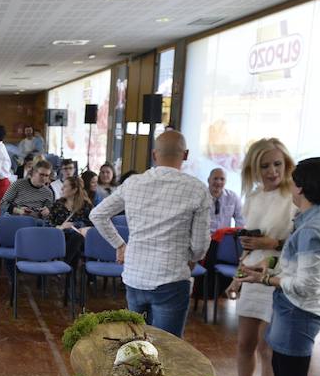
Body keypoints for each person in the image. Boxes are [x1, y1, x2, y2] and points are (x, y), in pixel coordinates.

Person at [90, 131, 211, 338]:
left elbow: (98, 214)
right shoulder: (197, 189)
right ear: (186, 154)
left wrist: (120, 245)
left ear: (154, 154)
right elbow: (200, 245)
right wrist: (192, 258)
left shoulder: (133, 183)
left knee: (136, 344)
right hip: (171, 279)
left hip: (135, 276)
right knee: (167, 349)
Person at [239, 158, 320, 376]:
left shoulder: (312, 229)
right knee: (281, 370)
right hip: (298, 309)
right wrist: (272, 264)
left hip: (299, 311)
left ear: (300, 188)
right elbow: (304, 265)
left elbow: (306, 285)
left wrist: (264, 279)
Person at [225, 138, 296, 376]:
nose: (272, 171)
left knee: (267, 347)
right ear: (255, 169)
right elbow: (249, 245)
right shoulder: (253, 197)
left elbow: (299, 243)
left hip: (278, 275)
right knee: (245, 342)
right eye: (265, 166)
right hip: (251, 273)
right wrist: (237, 276)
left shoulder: (293, 197)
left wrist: (272, 242)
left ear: (286, 163)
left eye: (277, 164)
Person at [49, 175, 92, 268]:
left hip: (79, 239)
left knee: (77, 237)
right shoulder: (57, 204)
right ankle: (70, 277)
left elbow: (91, 225)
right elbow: (48, 223)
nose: (61, 189)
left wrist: (74, 225)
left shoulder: (86, 206)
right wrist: (61, 227)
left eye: (65, 186)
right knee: (75, 248)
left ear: (74, 190)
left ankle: (63, 264)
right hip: (59, 237)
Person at [207, 167, 246, 233]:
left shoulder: (233, 197)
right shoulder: (201, 196)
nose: (218, 182)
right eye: (215, 178)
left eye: (222, 179)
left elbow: (241, 219)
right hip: (204, 238)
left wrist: (237, 236)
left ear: (225, 181)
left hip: (224, 238)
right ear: (208, 180)